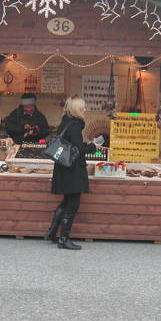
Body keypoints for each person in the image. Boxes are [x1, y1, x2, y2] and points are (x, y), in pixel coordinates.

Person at [45, 96, 101, 250]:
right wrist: (93, 146)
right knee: (73, 204)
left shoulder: (65, 122)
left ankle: (52, 232)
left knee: (66, 201)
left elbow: (71, 145)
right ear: (77, 109)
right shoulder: (76, 125)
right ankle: (63, 238)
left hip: (63, 168)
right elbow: (78, 150)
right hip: (73, 170)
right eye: (83, 107)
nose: (85, 109)